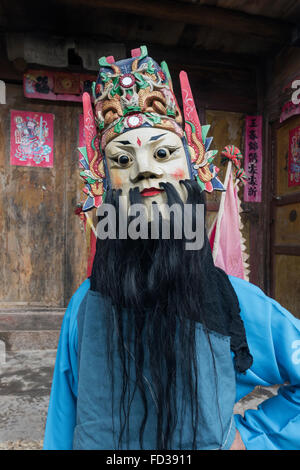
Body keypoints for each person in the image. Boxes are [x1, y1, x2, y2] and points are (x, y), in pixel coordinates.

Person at [43, 46, 300, 451]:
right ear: (105, 186)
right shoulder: (85, 307)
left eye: (162, 153)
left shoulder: (233, 301)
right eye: (122, 160)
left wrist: (251, 438)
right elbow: (62, 423)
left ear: (195, 167)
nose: (143, 169)